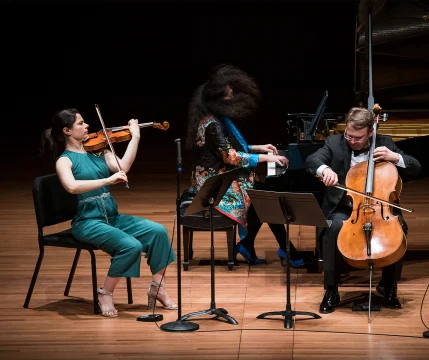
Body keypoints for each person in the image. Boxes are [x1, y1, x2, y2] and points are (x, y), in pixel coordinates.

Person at [40, 108, 177, 317]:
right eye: (80, 123)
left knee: (158, 231)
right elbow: (71, 187)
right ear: (67, 131)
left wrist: (135, 138)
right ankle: (105, 293)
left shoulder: (99, 150)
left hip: (112, 217)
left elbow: (123, 166)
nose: (87, 126)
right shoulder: (64, 161)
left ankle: (157, 288)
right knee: (131, 246)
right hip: (87, 222)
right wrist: (108, 180)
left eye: (85, 122)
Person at [185, 64, 304, 267]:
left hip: (225, 176)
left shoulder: (219, 119)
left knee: (265, 198)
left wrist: (258, 148)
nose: (232, 93)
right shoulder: (212, 124)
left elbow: (230, 148)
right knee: (265, 199)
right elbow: (230, 155)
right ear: (218, 97)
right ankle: (282, 249)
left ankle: (255, 246)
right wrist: (265, 158)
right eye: (228, 91)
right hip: (214, 185)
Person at [305, 107, 421, 313]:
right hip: (346, 208)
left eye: (358, 137)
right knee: (332, 229)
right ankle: (331, 290)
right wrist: (325, 170)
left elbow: (416, 166)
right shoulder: (334, 143)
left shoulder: (385, 143)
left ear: (370, 132)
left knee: (400, 227)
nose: (352, 140)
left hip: (380, 207)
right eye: (349, 135)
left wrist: (394, 157)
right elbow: (312, 160)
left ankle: (388, 286)